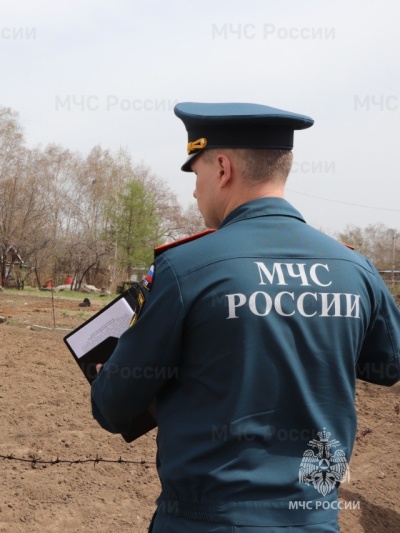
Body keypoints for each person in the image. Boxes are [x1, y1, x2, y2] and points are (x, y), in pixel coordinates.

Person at [91, 102, 400, 532]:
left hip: (208, 522)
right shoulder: (355, 269)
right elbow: (388, 366)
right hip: (314, 520)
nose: (195, 192)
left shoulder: (186, 269)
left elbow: (112, 407)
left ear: (222, 168)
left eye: (196, 175)